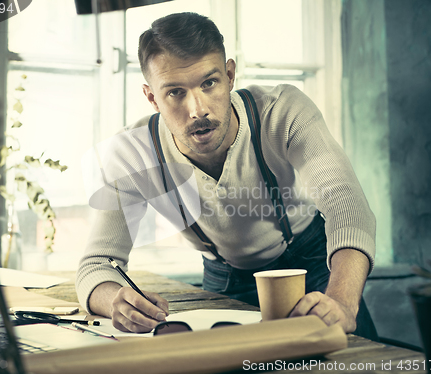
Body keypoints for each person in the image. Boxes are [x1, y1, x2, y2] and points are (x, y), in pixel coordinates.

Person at [76, 12, 378, 341]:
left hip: (314, 267)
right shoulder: (132, 153)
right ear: (152, 98)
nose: (198, 110)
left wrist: (342, 302)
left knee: (359, 358)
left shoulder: (281, 111)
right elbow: (97, 264)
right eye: (175, 92)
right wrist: (114, 301)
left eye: (209, 83)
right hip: (225, 280)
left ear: (230, 75)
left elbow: (346, 206)